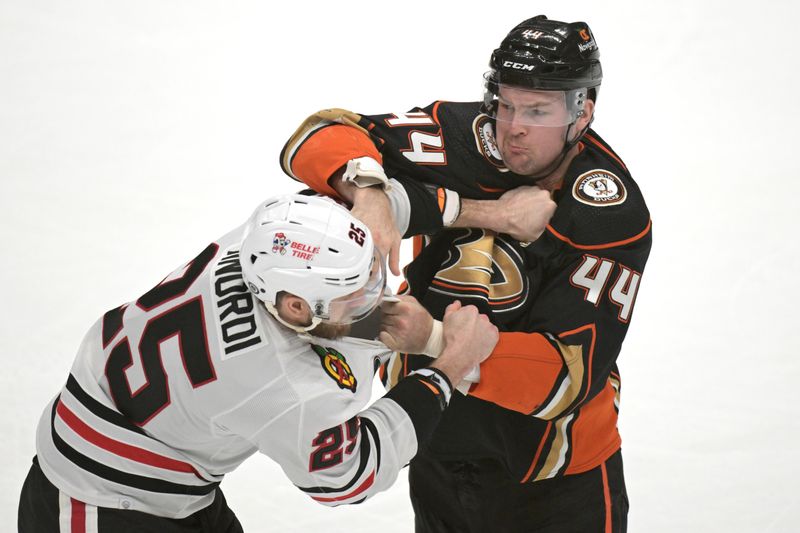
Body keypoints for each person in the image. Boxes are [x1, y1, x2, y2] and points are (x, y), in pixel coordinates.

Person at [279, 15, 652, 532]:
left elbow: (571, 375)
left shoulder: (607, 213)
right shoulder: (459, 137)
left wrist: (431, 339)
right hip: (436, 441)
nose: (513, 126)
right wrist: (367, 188)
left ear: (582, 112)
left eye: (538, 110)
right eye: (505, 103)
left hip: (555, 478)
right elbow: (320, 134)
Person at [18, 193, 498, 532]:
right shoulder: (284, 382)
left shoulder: (271, 237)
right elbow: (346, 474)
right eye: (355, 297)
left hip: (159, 472)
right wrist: (449, 365)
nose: (377, 302)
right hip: (100, 504)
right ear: (294, 307)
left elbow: (340, 214)